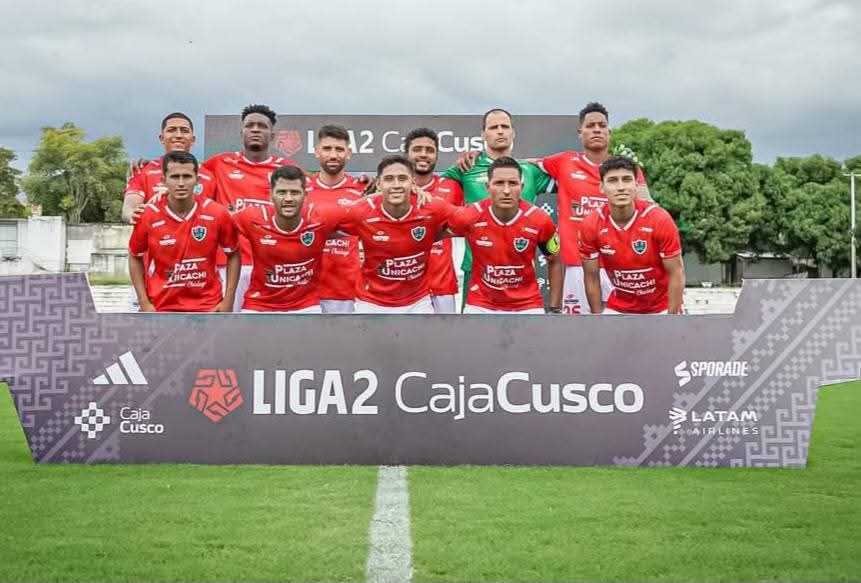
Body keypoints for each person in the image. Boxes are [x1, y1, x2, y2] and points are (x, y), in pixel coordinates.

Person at [535, 102, 650, 315]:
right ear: (580, 133)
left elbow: (648, 209)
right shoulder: (564, 161)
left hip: (620, 268)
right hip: (577, 267)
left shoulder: (625, 170)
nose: (596, 130)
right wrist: (481, 158)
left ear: (609, 132)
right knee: (579, 332)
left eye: (602, 125)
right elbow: (519, 166)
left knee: (623, 331)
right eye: (590, 126)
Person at [441, 109, 554, 305]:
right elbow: (430, 186)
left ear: (513, 132)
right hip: (476, 270)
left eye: (505, 127)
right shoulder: (467, 166)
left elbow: (573, 181)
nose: (500, 131)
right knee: (475, 325)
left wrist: (542, 162)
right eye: (493, 127)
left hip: (520, 272)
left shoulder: (529, 170)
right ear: (483, 135)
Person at [201, 104, 299, 311]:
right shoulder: (218, 163)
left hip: (271, 265)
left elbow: (319, 193)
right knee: (225, 325)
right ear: (241, 132)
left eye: (262, 126)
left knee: (264, 327)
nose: (255, 130)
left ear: (272, 135)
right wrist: (148, 166)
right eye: (250, 125)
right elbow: (183, 178)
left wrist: (363, 181)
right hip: (228, 263)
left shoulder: (288, 169)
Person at [341, 155, 460, 314]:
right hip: (371, 302)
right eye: (389, 179)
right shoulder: (360, 210)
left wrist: (436, 236)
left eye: (402, 179)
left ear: (413, 182)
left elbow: (470, 220)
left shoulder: (431, 207)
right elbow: (323, 226)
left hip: (418, 302)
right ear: (378, 184)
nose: (396, 185)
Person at [446, 156, 562, 314]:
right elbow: (431, 237)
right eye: (499, 183)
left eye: (512, 183)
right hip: (481, 304)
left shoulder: (539, 219)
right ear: (488, 187)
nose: (506, 191)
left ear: (521, 187)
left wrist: (555, 308)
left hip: (527, 305)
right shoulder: (470, 215)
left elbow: (555, 259)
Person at [128, 151, 239, 312]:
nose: (181, 183)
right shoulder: (148, 215)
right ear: (163, 180)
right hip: (162, 307)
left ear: (197, 180)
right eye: (174, 177)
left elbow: (233, 254)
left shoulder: (217, 213)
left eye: (187, 177)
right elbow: (134, 256)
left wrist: (228, 300)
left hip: (208, 307)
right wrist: (144, 302)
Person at [579, 156, 684, 314]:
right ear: (602, 187)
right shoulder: (591, 224)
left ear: (636, 185)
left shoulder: (659, 219)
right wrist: (598, 318)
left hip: (661, 307)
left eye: (627, 180)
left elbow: (676, 273)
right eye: (613, 181)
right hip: (619, 307)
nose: (621, 187)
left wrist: (671, 319)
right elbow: (591, 277)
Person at [233, 165, 344, 313]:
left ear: (305, 195)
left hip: (306, 305)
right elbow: (215, 225)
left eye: (295, 192)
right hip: (260, 304)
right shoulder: (251, 217)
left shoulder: (321, 217)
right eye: (282, 192)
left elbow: (363, 216)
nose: (288, 199)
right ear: (270, 195)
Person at [304, 125, 365, 313]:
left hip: (348, 291)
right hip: (307, 290)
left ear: (349, 153)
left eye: (339, 149)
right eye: (327, 148)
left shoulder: (362, 189)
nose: (333, 155)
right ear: (316, 151)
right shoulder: (301, 190)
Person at [404, 128, 464, 313]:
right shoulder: (393, 189)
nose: (423, 154)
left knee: (445, 333)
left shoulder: (452, 187)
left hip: (442, 287)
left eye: (429, 150)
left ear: (437, 155)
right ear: (406, 154)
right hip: (403, 287)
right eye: (417, 149)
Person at [121, 112, 214, 224]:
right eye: (172, 130)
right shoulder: (142, 170)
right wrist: (135, 214)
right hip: (156, 233)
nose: (178, 135)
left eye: (184, 131)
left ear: (193, 139)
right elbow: (129, 209)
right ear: (162, 138)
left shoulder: (209, 175)